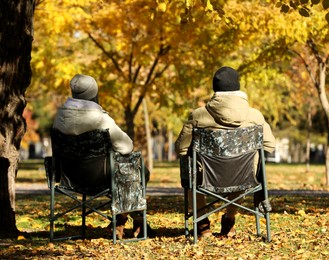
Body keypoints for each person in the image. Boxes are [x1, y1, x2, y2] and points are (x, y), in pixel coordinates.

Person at [175, 66, 276, 238]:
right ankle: (229, 220)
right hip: (244, 177)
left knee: (192, 170)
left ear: (215, 89)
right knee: (242, 167)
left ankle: (202, 224)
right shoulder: (255, 116)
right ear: (238, 88)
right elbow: (270, 145)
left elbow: (181, 148)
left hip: (206, 178)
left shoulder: (198, 115)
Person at [53, 74, 152, 239]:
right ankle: (124, 222)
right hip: (101, 178)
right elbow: (126, 146)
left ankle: (126, 223)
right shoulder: (100, 118)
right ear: (94, 93)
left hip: (69, 179)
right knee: (140, 171)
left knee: (129, 173)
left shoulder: (59, 118)